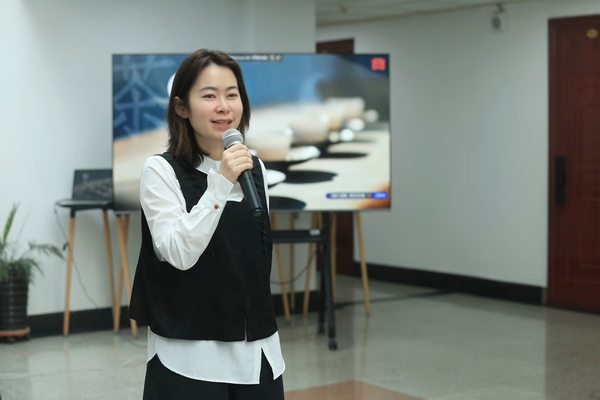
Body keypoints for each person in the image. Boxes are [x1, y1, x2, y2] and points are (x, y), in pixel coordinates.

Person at [129, 49, 285, 400]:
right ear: (181, 108)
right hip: (190, 358)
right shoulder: (160, 171)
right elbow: (178, 254)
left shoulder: (255, 169)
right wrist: (221, 182)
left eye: (232, 94)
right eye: (209, 96)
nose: (224, 107)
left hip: (257, 355)